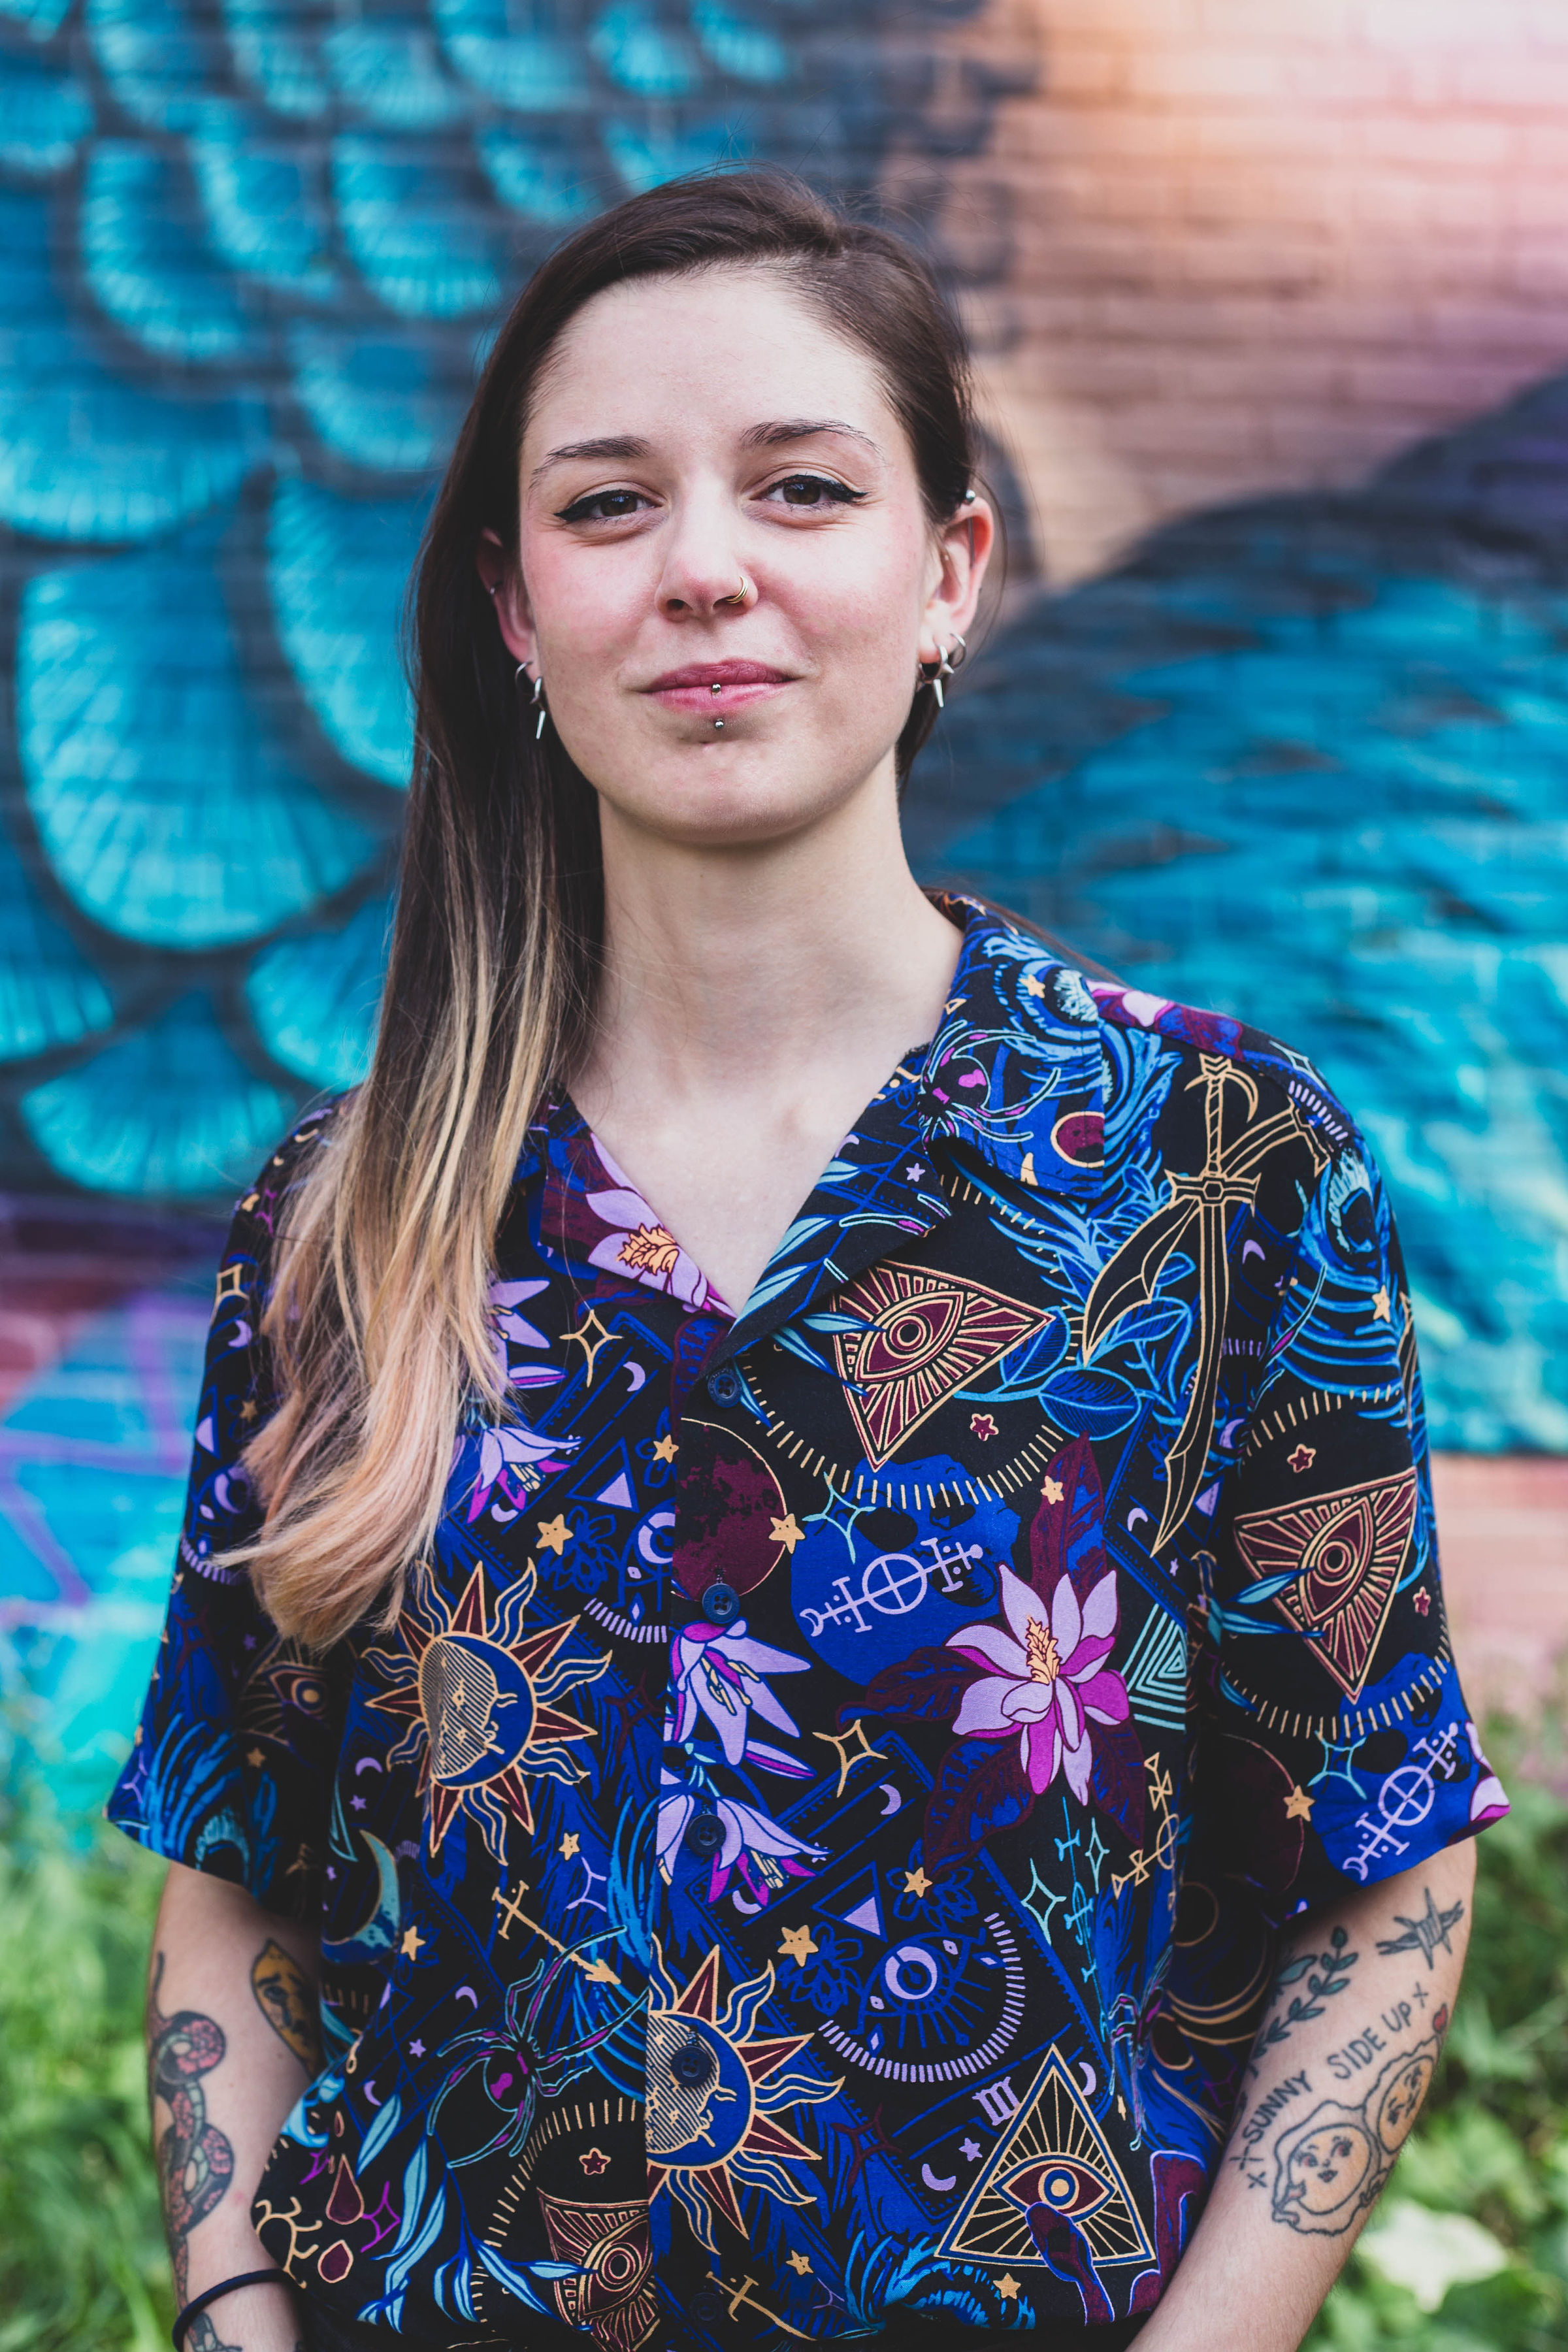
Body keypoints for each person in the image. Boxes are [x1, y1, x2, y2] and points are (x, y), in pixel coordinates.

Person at [109, 171, 1505, 2352]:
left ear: (948, 572)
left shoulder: (1216, 1172)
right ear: (512, 606)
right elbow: (235, 1866)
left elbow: (1388, 1870)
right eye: (607, 506)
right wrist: (228, 2317)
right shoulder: (345, 1222)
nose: (704, 571)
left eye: (802, 485)